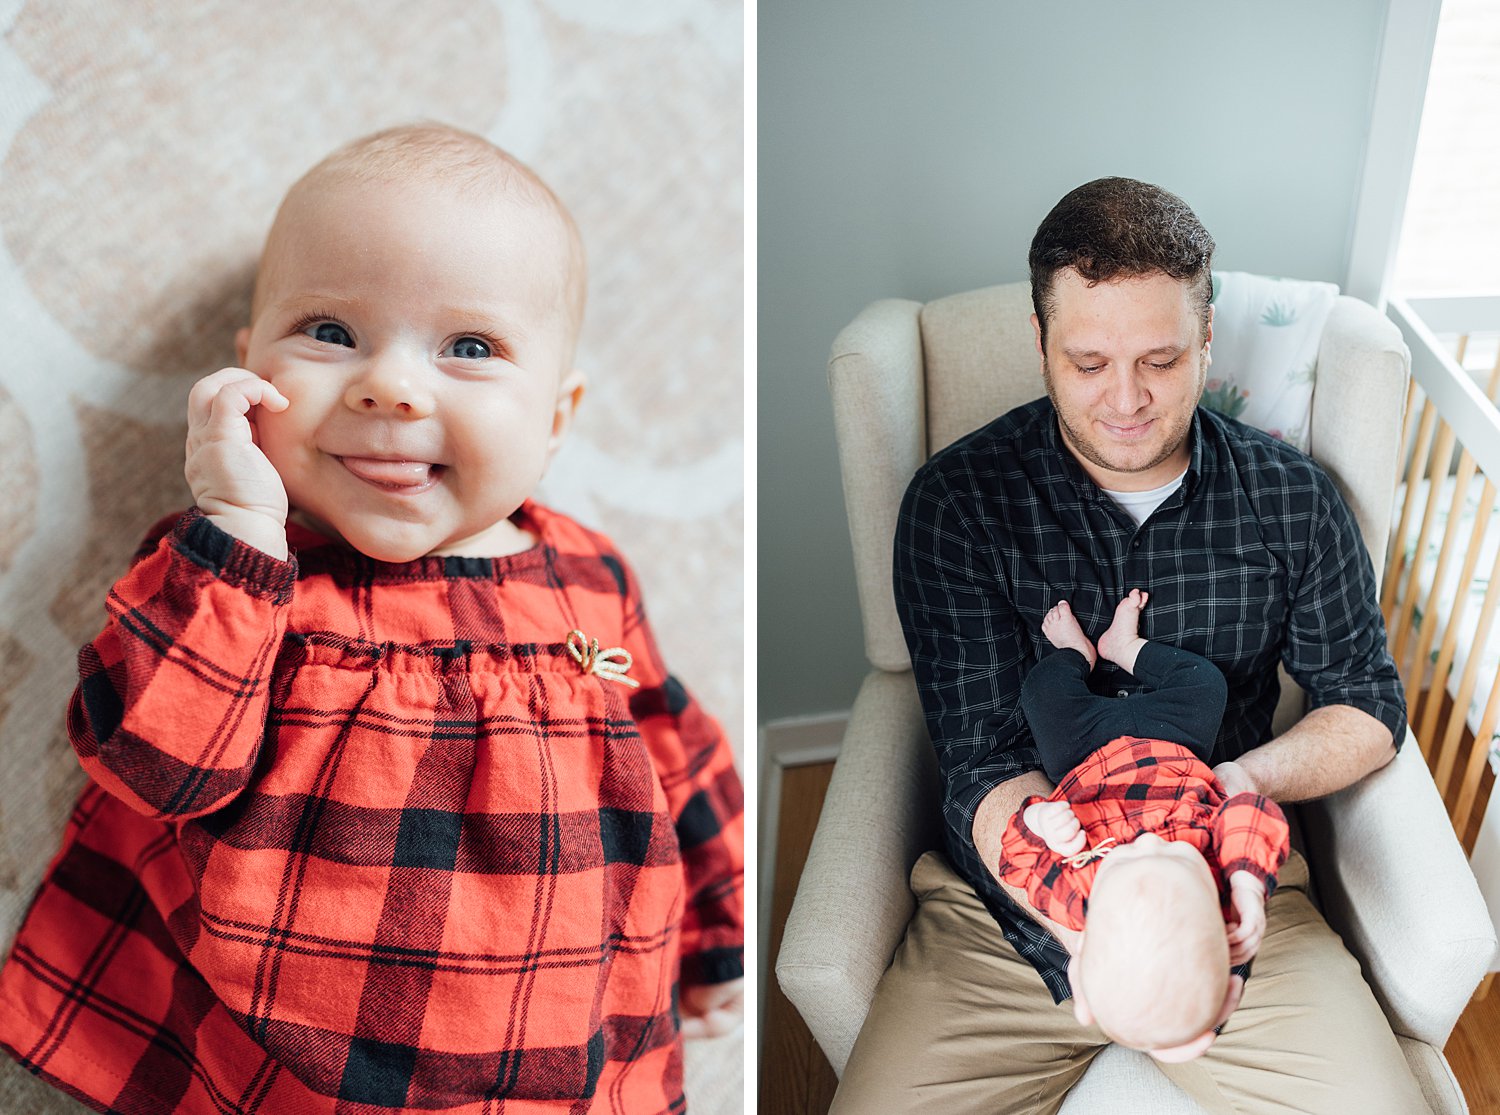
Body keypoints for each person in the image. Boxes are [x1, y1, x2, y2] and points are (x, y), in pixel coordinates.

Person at [0, 124, 744, 1115]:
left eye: (469, 347)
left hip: (564, 1043)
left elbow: (676, 751)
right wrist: (238, 524)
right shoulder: (235, 573)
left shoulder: (590, 577)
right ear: (247, 369)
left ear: (555, 417)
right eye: (330, 332)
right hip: (265, 1049)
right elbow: (152, 765)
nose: (389, 386)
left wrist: (720, 929)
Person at [831, 177, 1424, 1113]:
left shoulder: (1291, 501)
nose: (1126, 400)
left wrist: (1239, 792)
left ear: (1207, 343)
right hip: (1014, 912)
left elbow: (1368, 706)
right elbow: (982, 762)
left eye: (1160, 358)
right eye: (1089, 362)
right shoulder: (959, 503)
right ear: (1040, 345)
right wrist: (1089, 903)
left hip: (1231, 893)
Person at [1000, 590, 1289, 1060]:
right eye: (1178, 857)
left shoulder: (1077, 898)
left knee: (1042, 696)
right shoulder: (1225, 890)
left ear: (1080, 965)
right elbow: (1250, 814)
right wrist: (1247, 887)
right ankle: (1125, 648)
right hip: (1175, 741)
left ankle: (1077, 655)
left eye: (1121, 861)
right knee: (1206, 684)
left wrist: (1039, 822)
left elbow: (1015, 858)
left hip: (1084, 751)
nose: (1148, 843)